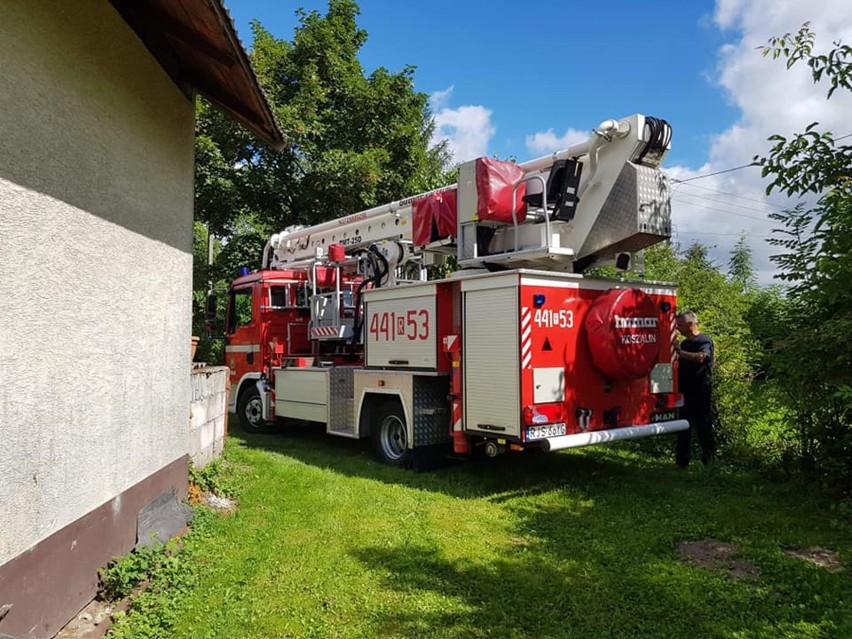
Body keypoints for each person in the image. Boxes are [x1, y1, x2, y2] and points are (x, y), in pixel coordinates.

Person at [674, 310, 715, 468]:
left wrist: (680, 353)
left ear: (690, 324)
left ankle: (709, 460)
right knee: (683, 425)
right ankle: (682, 462)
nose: (678, 329)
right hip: (684, 390)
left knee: (703, 424)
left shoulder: (704, 340)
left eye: (681, 325)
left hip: (700, 390)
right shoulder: (685, 343)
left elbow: (701, 357)